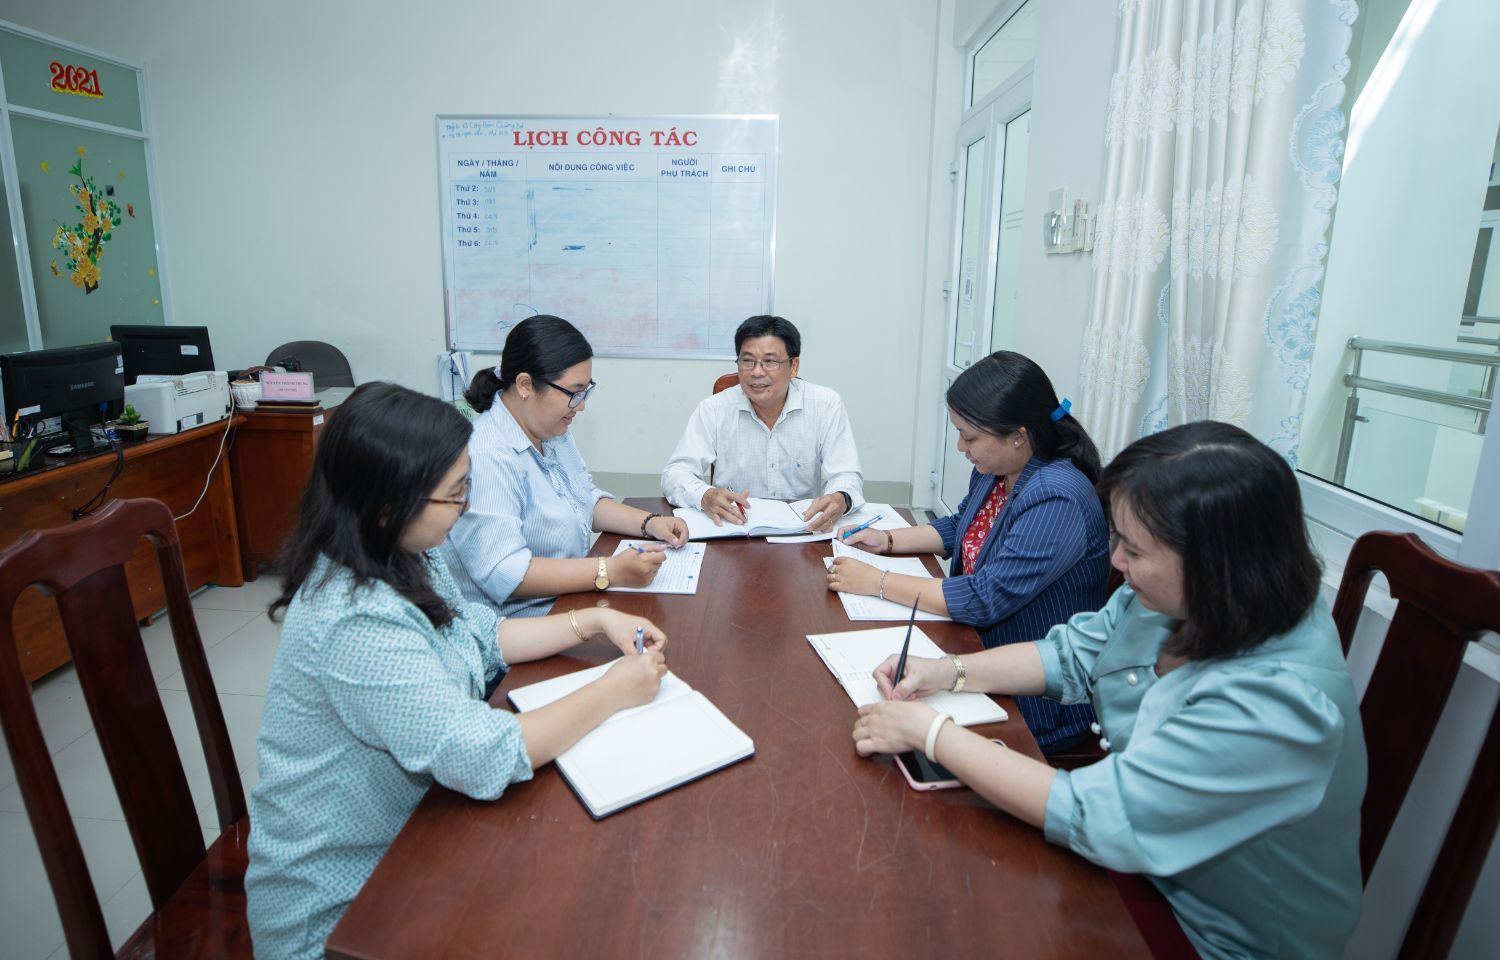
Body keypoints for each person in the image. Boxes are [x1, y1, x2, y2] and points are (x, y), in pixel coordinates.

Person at [851, 421, 1365, 959]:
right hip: (1141, 863)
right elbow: (1071, 653)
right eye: (1118, 538)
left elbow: (1095, 815)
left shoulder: (1277, 704)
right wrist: (948, 671)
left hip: (1210, 931)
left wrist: (933, 734)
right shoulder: (1184, 598)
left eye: (1135, 551)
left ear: (1216, 564)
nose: (1116, 562)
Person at [246, 382, 669, 959]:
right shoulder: (354, 618)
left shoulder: (401, 552)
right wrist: (609, 692)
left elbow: (480, 633)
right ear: (388, 503)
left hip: (423, 835)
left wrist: (594, 621)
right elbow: (480, 753)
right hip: (348, 911)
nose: (467, 506)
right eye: (454, 494)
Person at [827, 350, 1107, 751]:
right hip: (975, 652)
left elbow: (984, 597)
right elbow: (963, 525)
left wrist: (877, 581)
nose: (960, 447)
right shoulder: (1001, 469)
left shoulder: (1056, 497)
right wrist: (888, 541)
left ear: (1018, 435)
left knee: (875, 721)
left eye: (970, 436)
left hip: (1034, 699)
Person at [443, 314, 689, 618]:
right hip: (519, 627)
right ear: (525, 385)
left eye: (586, 391)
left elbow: (583, 498)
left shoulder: (551, 430)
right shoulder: (488, 456)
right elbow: (504, 572)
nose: (581, 405)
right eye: (574, 393)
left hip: (568, 603)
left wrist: (650, 523)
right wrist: (609, 569)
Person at [661, 314, 864, 532]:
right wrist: (705, 495)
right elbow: (675, 473)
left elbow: (845, 475)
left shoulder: (825, 405)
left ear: (793, 366)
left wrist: (841, 498)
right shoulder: (714, 409)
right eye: (747, 360)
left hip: (802, 531)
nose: (757, 372)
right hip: (735, 529)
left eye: (769, 361)